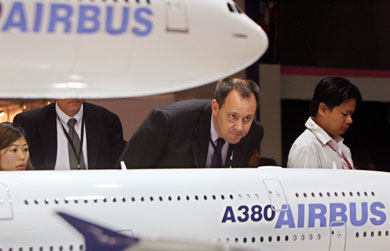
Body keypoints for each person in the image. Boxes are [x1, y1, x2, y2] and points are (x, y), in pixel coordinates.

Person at [119, 77, 264, 168]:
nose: (240, 127)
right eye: (233, 116)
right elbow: (126, 171)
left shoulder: (253, 133)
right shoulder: (169, 121)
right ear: (215, 107)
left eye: (247, 118)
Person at [13, 99, 126, 170]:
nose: (73, 95)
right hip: (48, 196)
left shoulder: (107, 120)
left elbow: (119, 167)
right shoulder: (29, 123)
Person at [287, 77, 362, 169]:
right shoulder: (308, 147)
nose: (350, 120)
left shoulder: (343, 149)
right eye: (344, 114)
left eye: (351, 115)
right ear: (323, 109)